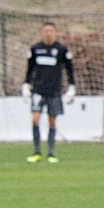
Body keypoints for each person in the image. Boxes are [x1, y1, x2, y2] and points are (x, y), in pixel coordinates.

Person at [22, 21, 75, 163]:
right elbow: (30, 68)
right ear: (42, 32)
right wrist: (26, 84)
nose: (48, 33)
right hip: (38, 91)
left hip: (54, 91)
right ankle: (37, 152)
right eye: (45, 30)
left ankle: (51, 153)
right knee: (35, 119)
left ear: (55, 32)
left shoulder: (62, 50)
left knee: (52, 121)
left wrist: (72, 86)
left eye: (51, 30)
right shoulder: (35, 49)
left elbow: (69, 69)